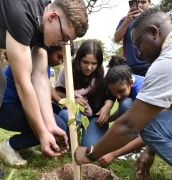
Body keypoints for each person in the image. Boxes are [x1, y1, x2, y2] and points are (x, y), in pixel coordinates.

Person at [0, 0, 88, 177]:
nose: (60, 43)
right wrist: (41, 133)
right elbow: (23, 83)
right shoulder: (23, 15)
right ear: (53, 17)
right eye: (63, 38)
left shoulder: (44, 28)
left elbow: (40, 76)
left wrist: (50, 126)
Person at [74, 8, 172, 180]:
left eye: (139, 45)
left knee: (146, 124)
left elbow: (130, 126)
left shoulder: (165, 63)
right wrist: (150, 151)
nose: (139, 53)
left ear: (153, 32)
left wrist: (91, 153)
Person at [0, 46, 67, 166]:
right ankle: (9, 146)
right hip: (5, 109)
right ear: (50, 48)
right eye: (59, 56)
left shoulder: (44, 61)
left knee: (56, 109)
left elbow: (46, 86)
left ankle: (24, 144)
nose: (60, 62)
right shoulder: (30, 57)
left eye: (63, 59)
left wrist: (62, 102)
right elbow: (29, 99)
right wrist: (42, 134)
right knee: (58, 125)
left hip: (16, 103)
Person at [55, 39, 114, 146]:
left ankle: (87, 133)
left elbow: (110, 96)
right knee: (65, 114)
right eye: (85, 62)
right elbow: (59, 92)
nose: (89, 67)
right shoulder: (68, 69)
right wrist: (73, 99)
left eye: (93, 63)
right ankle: (69, 141)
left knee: (90, 146)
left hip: (95, 115)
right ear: (78, 59)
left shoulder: (103, 73)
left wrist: (107, 107)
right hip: (75, 111)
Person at [97, 55, 146, 165]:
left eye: (120, 91)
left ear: (131, 83)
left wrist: (113, 154)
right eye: (113, 93)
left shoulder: (141, 90)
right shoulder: (126, 86)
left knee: (125, 102)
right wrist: (108, 119)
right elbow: (127, 110)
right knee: (125, 103)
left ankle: (139, 149)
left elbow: (148, 132)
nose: (117, 97)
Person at [114, 0, 151, 76]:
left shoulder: (154, 19)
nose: (140, 5)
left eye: (143, 2)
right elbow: (116, 38)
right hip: (128, 67)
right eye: (138, 2)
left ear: (149, 3)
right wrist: (127, 21)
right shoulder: (124, 20)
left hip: (150, 65)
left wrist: (144, 19)